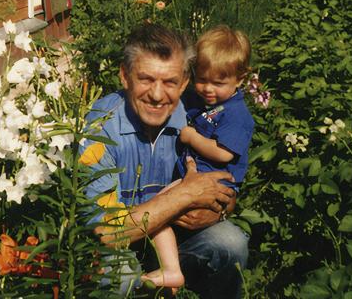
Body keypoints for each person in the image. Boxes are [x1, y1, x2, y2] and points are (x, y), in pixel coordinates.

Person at [80, 23, 249, 297]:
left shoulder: (193, 117)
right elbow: (106, 232)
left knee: (231, 243)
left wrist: (219, 209)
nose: (157, 95)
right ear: (125, 76)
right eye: (146, 79)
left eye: (170, 82)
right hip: (117, 248)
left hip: (173, 240)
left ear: (184, 83)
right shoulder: (100, 128)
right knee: (118, 277)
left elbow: (228, 185)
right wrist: (184, 196)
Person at [141, 26, 255, 290]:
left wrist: (192, 138)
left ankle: (170, 271)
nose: (207, 89)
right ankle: (167, 269)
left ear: (240, 79)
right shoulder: (196, 99)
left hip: (213, 185)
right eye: (201, 79)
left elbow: (224, 152)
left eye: (218, 83)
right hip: (193, 179)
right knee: (157, 211)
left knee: (156, 209)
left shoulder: (236, 114)